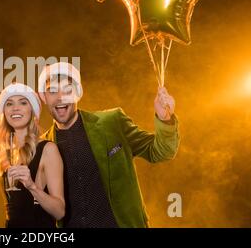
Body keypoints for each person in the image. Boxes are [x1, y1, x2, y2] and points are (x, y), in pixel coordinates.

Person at [38, 62, 180, 228]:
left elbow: (161, 151)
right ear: (44, 97)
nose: (60, 97)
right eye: (52, 91)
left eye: (67, 89)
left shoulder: (112, 122)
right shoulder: (41, 148)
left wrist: (165, 118)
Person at [0, 83, 65, 228]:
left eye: (23, 102)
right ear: (4, 112)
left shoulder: (48, 149)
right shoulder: (5, 154)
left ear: (32, 110)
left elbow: (60, 211)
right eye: (9, 103)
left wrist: (32, 186)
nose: (15, 108)